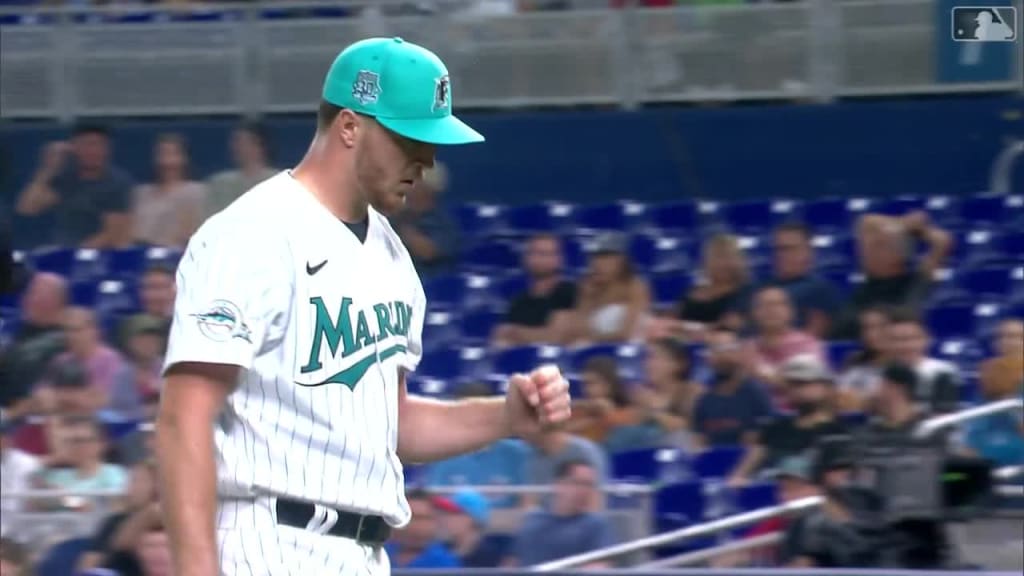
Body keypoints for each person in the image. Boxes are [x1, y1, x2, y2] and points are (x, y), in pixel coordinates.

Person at [156, 37, 572, 576]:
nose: (426, 159)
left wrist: (506, 416)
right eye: (410, 139)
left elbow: (390, 426)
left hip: (366, 552)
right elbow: (181, 419)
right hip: (268, 542)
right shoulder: (253, 233)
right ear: (350, 127)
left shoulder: (393, 255)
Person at [16, 123, 134, 248]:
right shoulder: (65, 178)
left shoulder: (118, 183)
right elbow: (27, 208)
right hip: (62, 249)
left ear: (107, 149)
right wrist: (48, 170)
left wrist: (75, 253)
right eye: (85, 145)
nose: (92, 151)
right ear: (74, 148)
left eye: (97, 145)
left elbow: (113, 233)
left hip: (100, 254)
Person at [510, 459, 616, 569]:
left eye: (589, 485)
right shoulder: (532, 522)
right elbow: (511, 564)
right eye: (577, 483)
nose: (584, 491)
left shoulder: (595, 526)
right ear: (558, 484)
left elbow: (599, 567)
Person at [492, 233, 577, 347]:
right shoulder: (519, 302)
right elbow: (502, 336)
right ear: (526, 259)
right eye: (535, 253)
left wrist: (516, 332)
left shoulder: (570, 293)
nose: (540, 259)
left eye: (546, 254)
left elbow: (557, 337)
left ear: (559, 259)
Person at [204, 121, 277, 219]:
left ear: (259, 146)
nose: (236, 147)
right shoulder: (219, 183)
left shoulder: (279, 180)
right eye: (235, 142)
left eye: (242, 142)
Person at [384, 489, 460, 569]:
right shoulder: (380, 553)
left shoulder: (445, 563)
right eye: (409, 517)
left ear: (434, 522)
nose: (415, 524)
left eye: (421, 518)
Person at [433, 490, 506, 567]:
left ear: (473, 519)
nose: (446, 518)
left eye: (454, 513)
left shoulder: (489, 556)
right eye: (445, 513)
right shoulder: (439, 551)